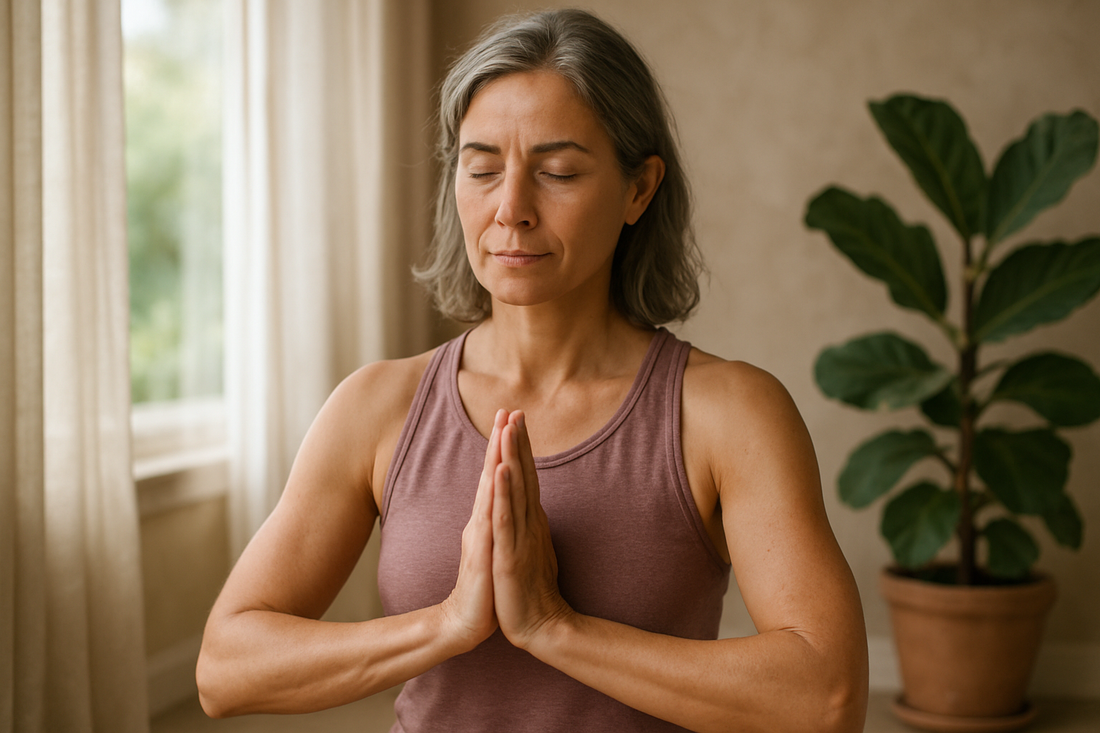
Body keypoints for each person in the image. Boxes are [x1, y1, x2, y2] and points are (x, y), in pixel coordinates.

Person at [196, 8, 868, 732]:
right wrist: (450, 622)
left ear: (639, 188)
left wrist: (554, 625)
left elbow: (825, 694)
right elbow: (225, 669)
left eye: (557, 172)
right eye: (482, 168)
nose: (510, 208)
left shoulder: (728, 412)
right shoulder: (377, 405)